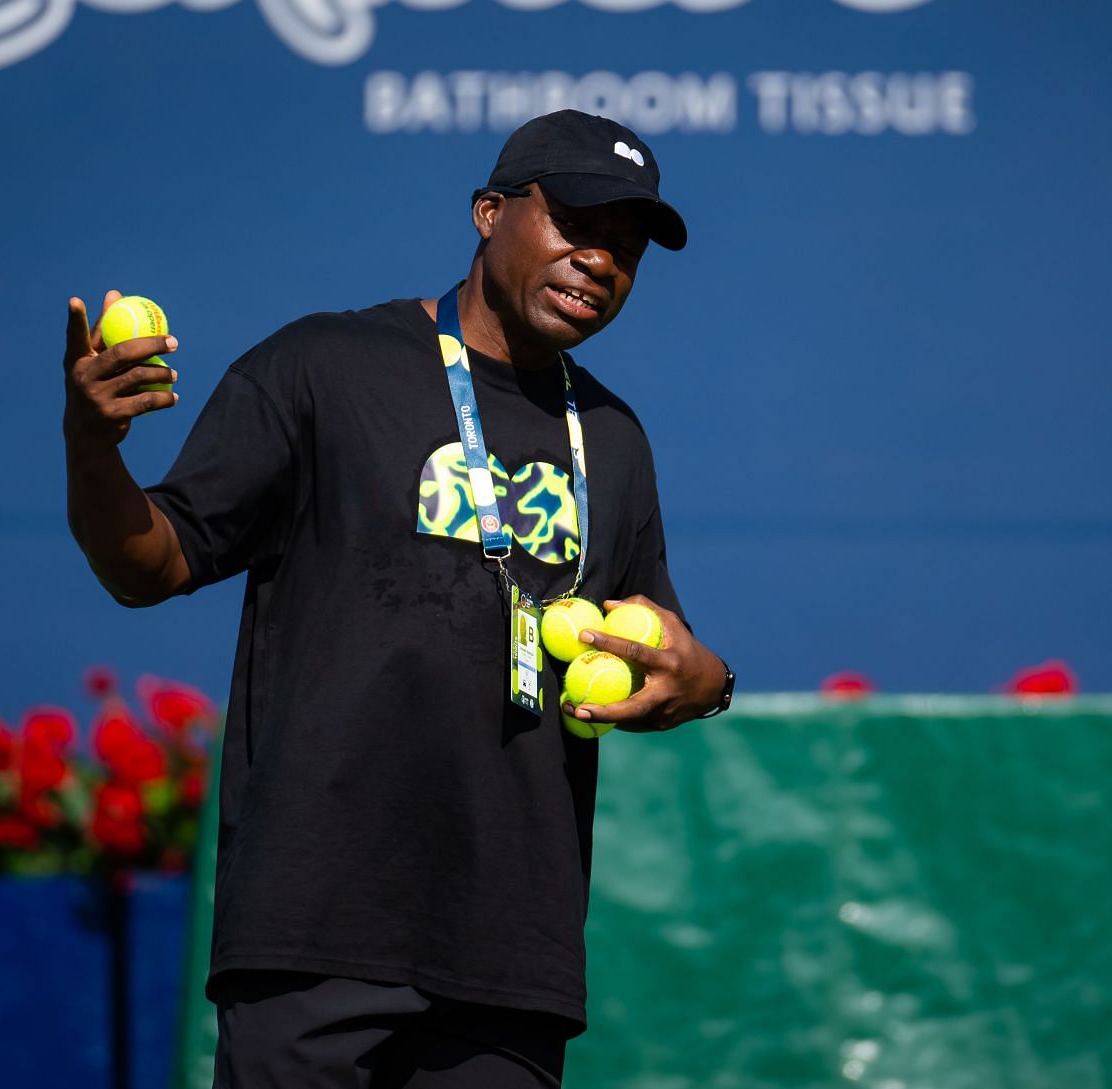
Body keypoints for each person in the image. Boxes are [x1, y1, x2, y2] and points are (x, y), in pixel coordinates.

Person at [60, 109, 736, 1087]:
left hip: (511, 962)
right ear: (489, 212)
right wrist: (91, 446)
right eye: (577, 225)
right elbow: (150, 564)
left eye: (626, 250)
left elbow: (670, 654)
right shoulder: (322, 369)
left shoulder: (614, 439)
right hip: (314, 934)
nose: (600, 262)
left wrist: (704, 681)